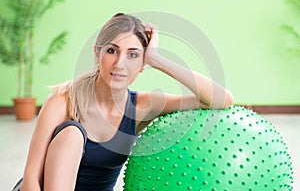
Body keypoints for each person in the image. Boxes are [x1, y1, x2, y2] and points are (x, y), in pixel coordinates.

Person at [16, 13, 234, 191]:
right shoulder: (62, 100)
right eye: (112, 51)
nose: (120, 64)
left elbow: (221, 99)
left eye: (132, 55)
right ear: (97, 53)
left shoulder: (141, 107)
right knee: (73, 133)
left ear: (142, 64)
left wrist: (157, 60)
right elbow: (30, 180)